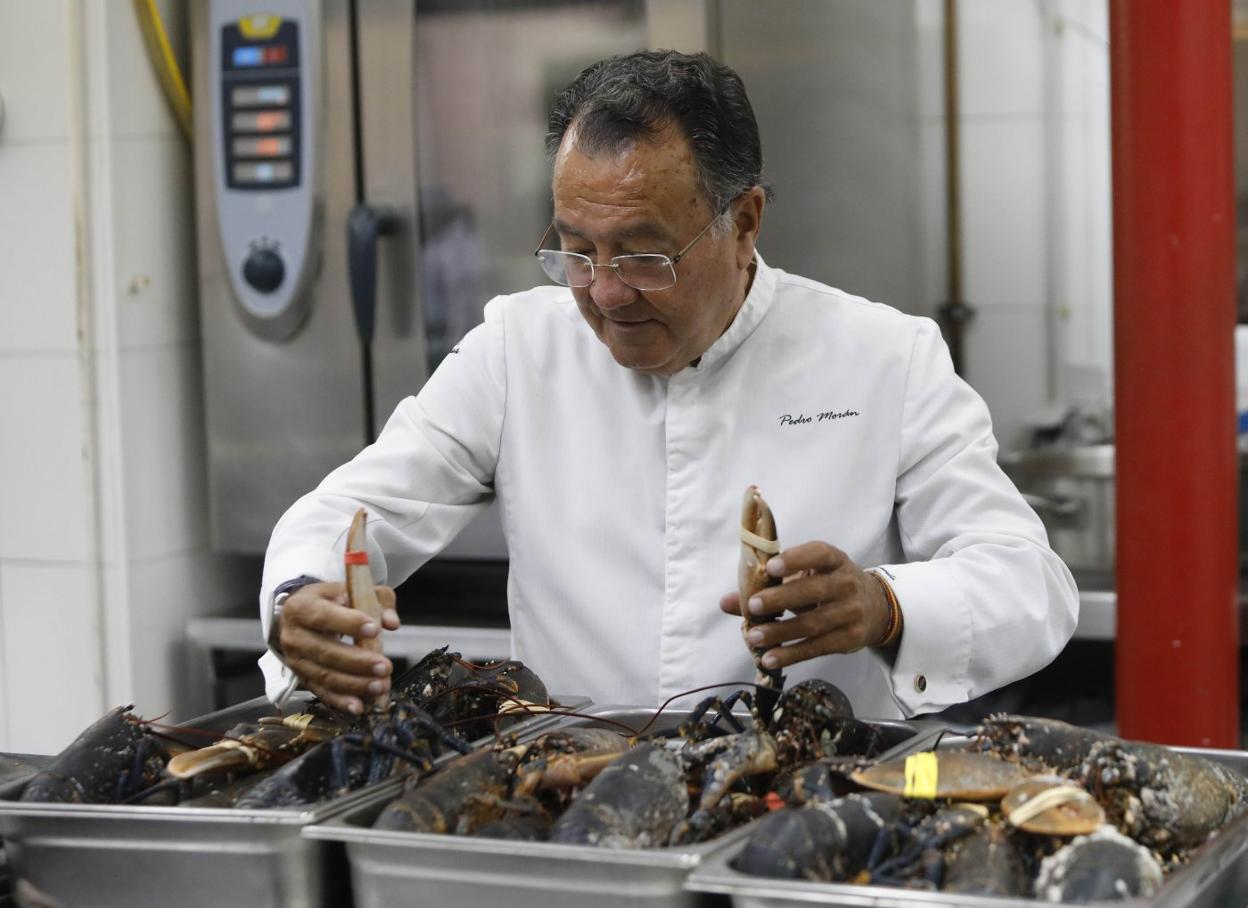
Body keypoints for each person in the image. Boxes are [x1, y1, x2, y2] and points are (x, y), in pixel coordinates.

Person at [259, 50, 1078, 720]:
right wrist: (300, 599)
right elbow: (350, 511)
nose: (606, 292)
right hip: (570, 803)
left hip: (799, 811)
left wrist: (886, 604)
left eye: (646, 255)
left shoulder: (884, 357)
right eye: (576, 250)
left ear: (744, 222)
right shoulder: (518, 348)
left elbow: (1028, 584)